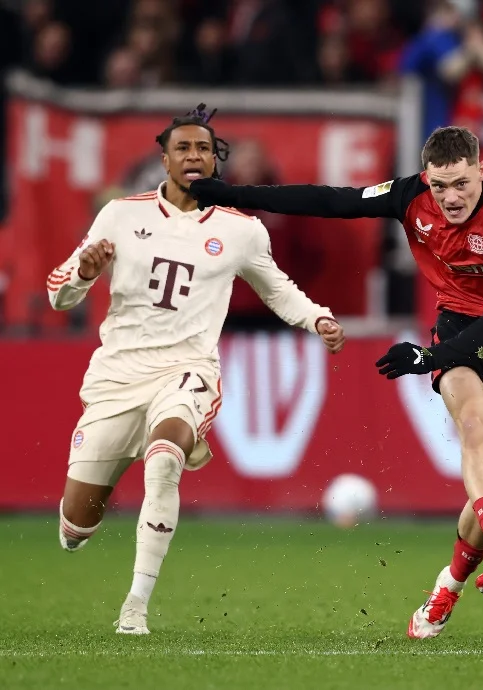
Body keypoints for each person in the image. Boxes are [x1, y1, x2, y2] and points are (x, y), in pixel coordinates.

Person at [187, 126, 483, 640]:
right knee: (473, 427)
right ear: (426, 178)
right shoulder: (410, 196)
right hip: (458, 324)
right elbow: (330, 201)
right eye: (440, 186)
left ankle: (449, 586)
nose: (450, 198)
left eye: (461, 184)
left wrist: (426, 357)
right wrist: (230, 194)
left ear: (482, 171)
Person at [49, 104, 345, 635]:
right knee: (75, 527)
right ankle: (93, 509)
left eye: (203, 148)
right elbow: (59, 294)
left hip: (188, 369)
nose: (193, 156)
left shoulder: (241, 230)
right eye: (182, 147)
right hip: (118, 375)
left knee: (165, 458)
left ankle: (135, 606)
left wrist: (317, 318)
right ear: (164, 160)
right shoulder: (120, 214)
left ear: (214, 161)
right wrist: (83, 276)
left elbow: (277, 289)